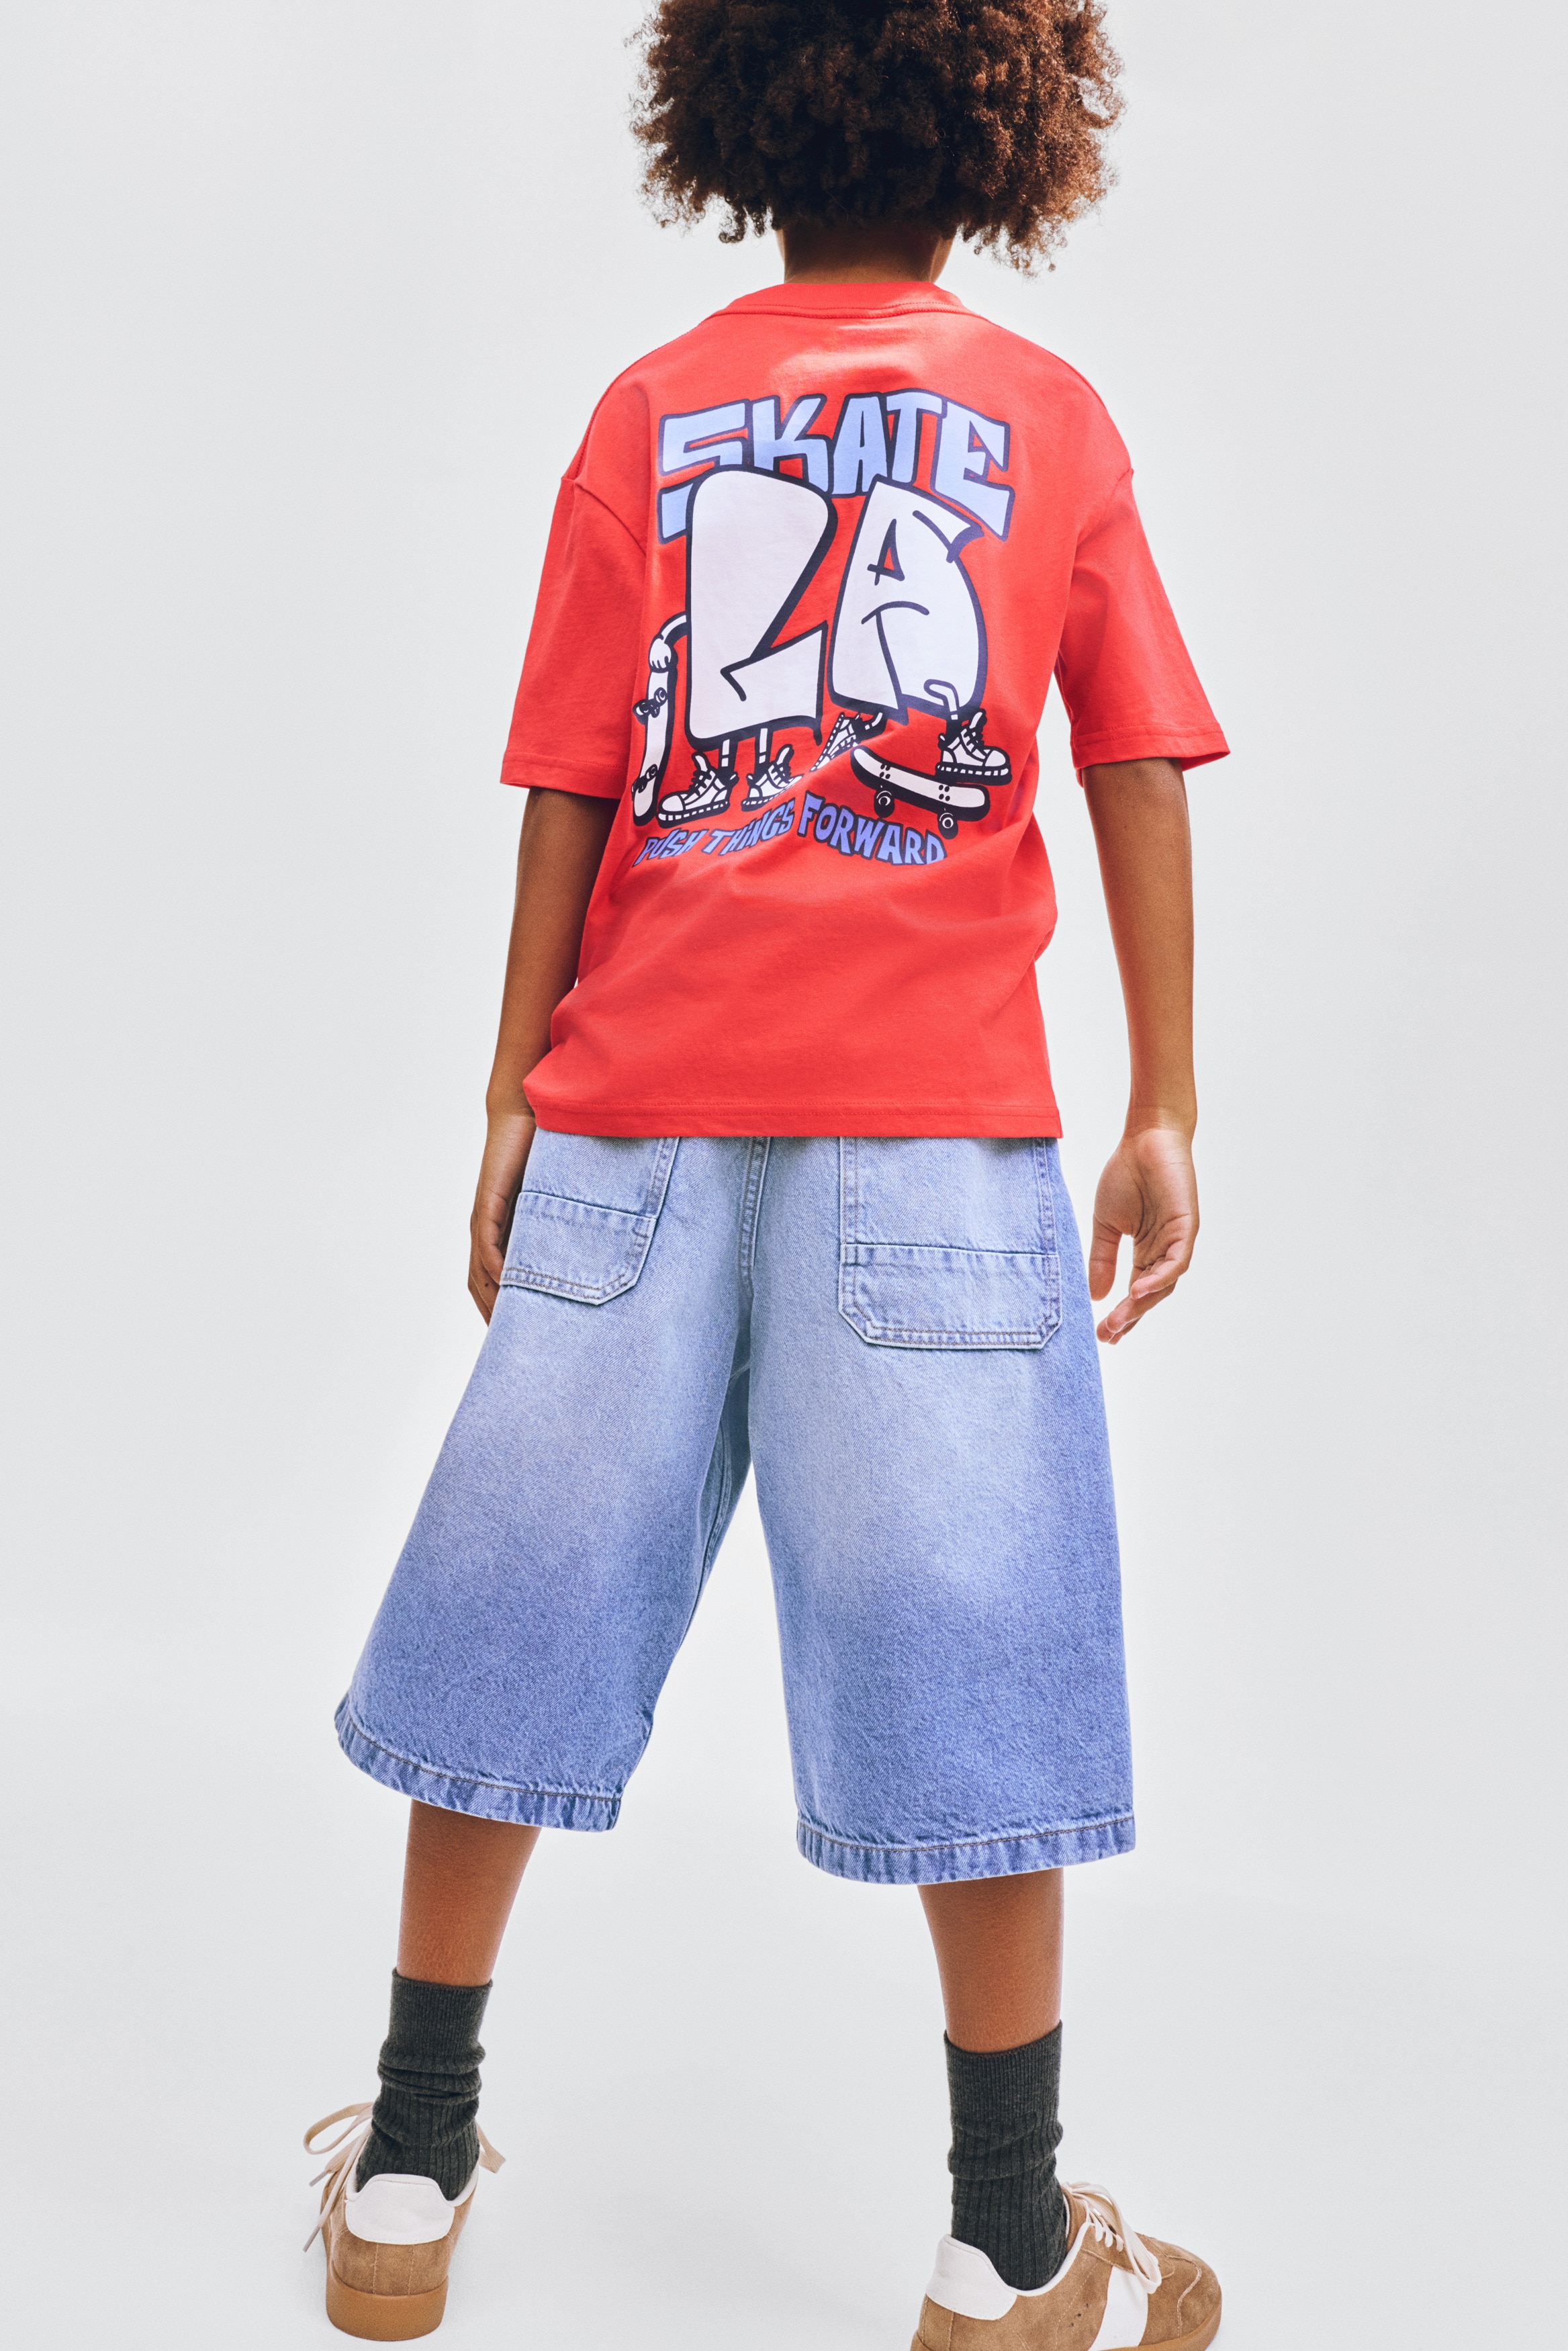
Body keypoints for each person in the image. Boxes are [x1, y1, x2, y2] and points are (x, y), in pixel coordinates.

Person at [305, 5, 1229, 2344]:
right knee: (976, 1643)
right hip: (936, 1133)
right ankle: (1004, 2235)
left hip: (637, 1112)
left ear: (733, 119)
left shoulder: (648, 412)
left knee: (520, 1603)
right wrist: (1164, 1099)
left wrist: (512, 1089)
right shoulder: (1049, 420)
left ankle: (409, 2160)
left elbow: (570, 777)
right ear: (1004, 134)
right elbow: (1133, 758)